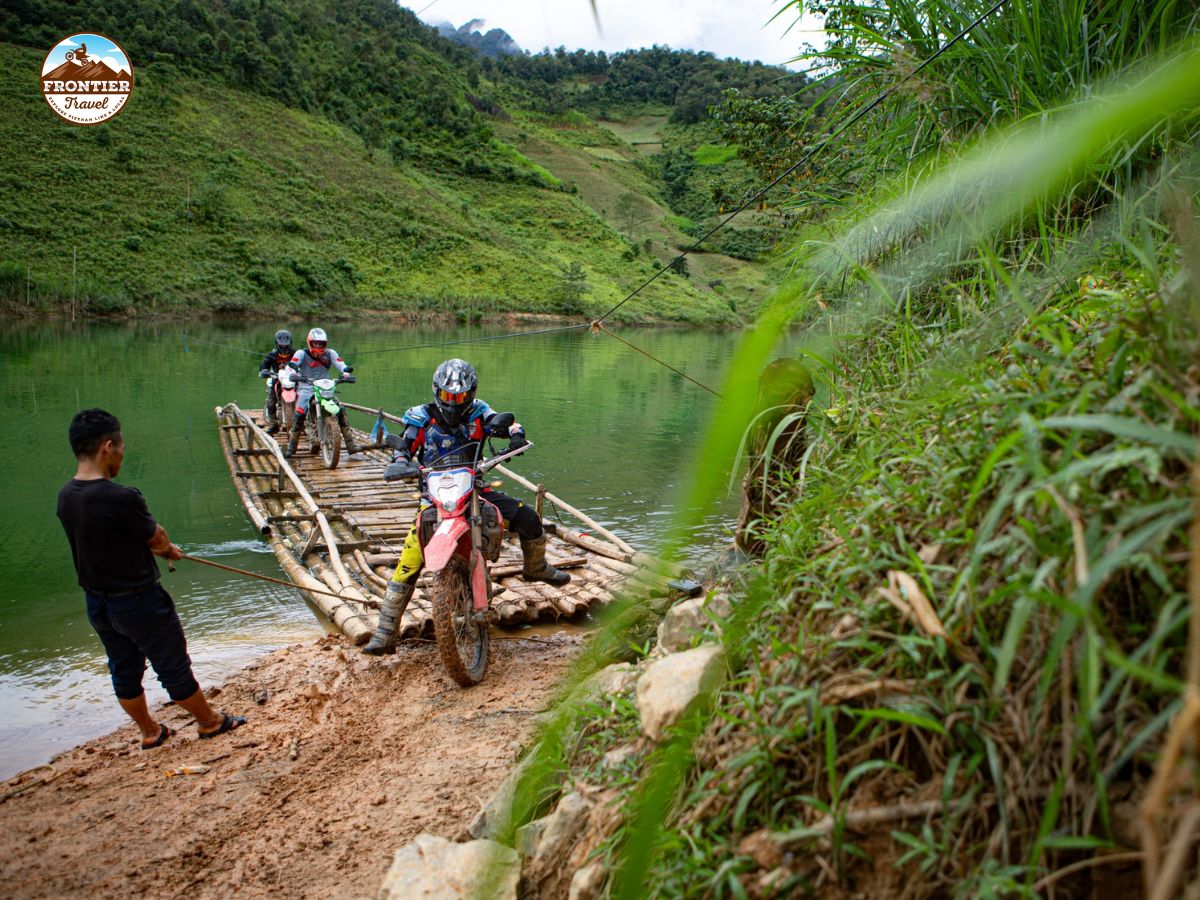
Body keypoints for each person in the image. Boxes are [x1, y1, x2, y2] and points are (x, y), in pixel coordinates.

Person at [56, 409, 246, 748]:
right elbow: (156, 537)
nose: (122, 454)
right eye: (121, 447)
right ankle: (209, 722)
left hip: (97, 603)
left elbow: (106, 538)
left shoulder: (66, 496)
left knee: (123, 670)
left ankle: (150, 731)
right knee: (173, 667)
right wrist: (167, 548)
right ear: (108, 447)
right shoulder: (123, 497)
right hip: (138, 602)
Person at [362, 358, 570, 655]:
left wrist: (514, 434)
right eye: (448, 396)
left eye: (460, 396)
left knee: (526, 516)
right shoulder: (422, 417)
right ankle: (385, 632)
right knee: (408, 562)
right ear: (437, 392)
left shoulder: (480, 411)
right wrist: (400, 463)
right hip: (433, 495)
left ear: (470, 394)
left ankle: (535, 567)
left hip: (475, 488)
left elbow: (509, 422)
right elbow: (405, 446)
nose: (454, 402)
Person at [283, 327, 359, 458]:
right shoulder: (301, 353)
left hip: (325, 386)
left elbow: (340, 363)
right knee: (300, 412)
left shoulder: (330, 353)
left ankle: (350, 443)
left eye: (321, 343)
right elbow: (292, 365)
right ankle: (291, 446)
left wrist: (346, 373)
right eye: (315, 343)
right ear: (310, 342)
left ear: (325, 343)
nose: (318, 345)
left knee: (340, 409)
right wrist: (293, 373)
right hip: (306, 386)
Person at [258, 328, 294, 434]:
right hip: (277, 378)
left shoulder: (295, 353)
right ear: (277, 344)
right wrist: (264, 370)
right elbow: (264, 363)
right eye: (281, 346)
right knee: (271, 401)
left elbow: (302, 363)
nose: (284, 348)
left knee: (305, 396)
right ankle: (273, 424)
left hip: (293, 379)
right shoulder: (272, 354)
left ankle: (306, 421)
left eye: (286, 346)